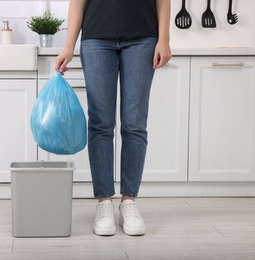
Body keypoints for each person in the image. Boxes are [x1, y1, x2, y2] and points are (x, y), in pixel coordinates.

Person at [54, 0, 172, 236]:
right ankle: (104, 202)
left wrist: (164, 39)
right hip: (96, 38)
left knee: (135, 124)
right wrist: (69, 45)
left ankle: (129, 202)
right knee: (100, 124)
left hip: (143, 37)